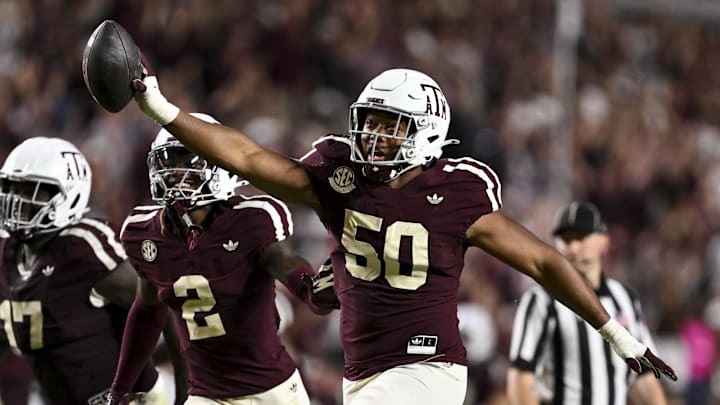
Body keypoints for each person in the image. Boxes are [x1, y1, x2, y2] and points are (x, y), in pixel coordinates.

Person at [121, 60, 676, 404]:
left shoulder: (457, 192)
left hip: (428, 364)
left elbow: (544, 263)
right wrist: (160, 108)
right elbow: (244, 156)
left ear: (428, 132)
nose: (373, 136)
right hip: (364, 368)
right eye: (370, 121)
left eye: (392, 126)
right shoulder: (338, 175)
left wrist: (619, 336)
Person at [108, 113, 337, 405]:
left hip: (271, 392)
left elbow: (281, 260)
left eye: (187, 161)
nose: (175, 173)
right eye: (170, 162)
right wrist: (121, 387)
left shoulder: (252, 219)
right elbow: (147, 309)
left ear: (220, 166)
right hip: (207, 394)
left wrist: (309, 288)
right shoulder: (145, 233)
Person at [0, 137, 173, 405]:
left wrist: (187, 387)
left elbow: (168, 309)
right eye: (13, 188)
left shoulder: (84, 248)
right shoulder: (7, 251)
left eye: (33, 191)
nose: (17, 201)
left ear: (69, 194)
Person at [507, 202, 668, 405]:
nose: (573, 247)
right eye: (566, 239)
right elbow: (521, 378)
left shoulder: (625, 298)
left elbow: (643, 380)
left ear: (605, 242)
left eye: (581, 237)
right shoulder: (540, 301)